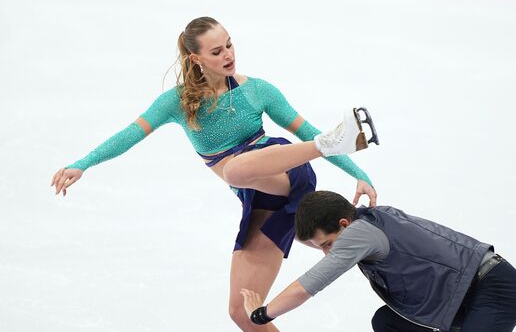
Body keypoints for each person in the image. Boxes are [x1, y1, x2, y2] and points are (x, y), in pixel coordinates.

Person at [50, 17, 378, 331]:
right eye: (217, 51)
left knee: (234, 170)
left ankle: (327, 146)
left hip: (285, 171)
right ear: (196, 58)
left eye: (230, 45)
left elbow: (304, 129)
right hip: (258, 198)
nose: (228, 55)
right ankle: (328, 151)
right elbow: (131, 134)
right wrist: (84, 163)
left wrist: (357, 172)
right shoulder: (175, 103)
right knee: (242, 312)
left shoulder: (257, 90)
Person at [241, 191, 516, 332]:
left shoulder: (359, 234)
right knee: (387, 323)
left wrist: (262, 314)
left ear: (344, 223)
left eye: (328, 244)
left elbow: (310, 284)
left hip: (494, 291)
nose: (328, 253)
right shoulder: (370, 219)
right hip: (463, 299)